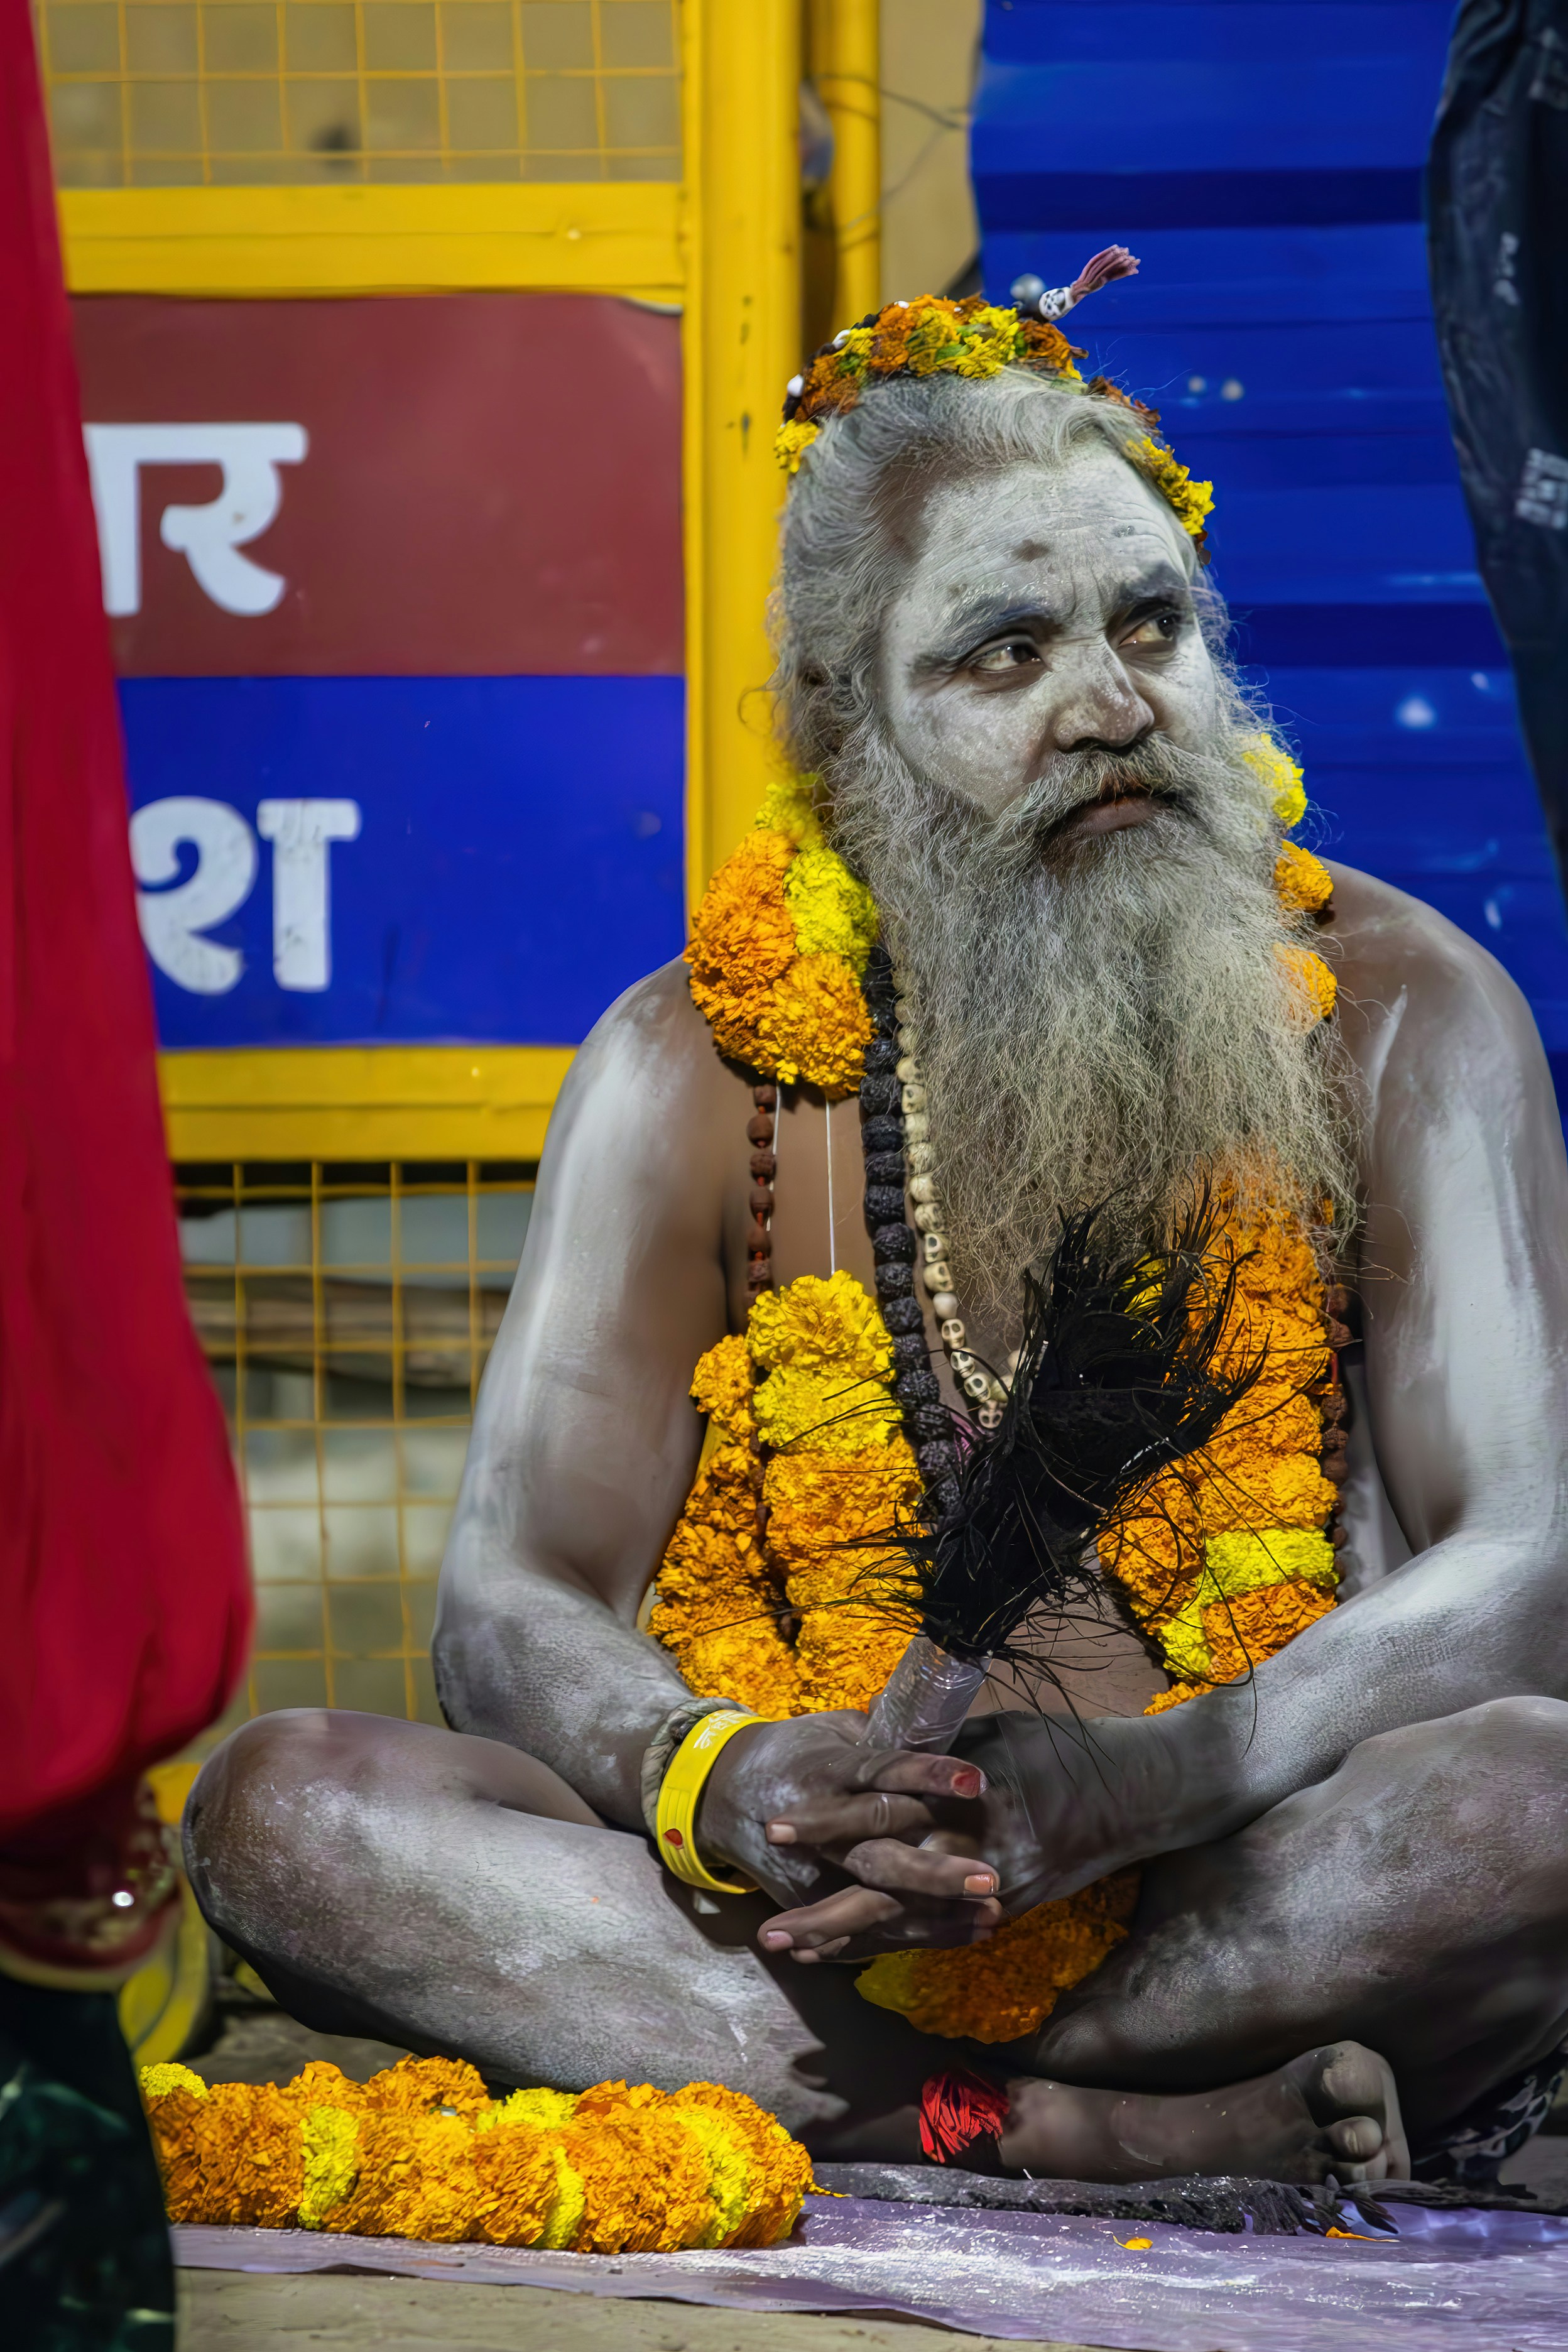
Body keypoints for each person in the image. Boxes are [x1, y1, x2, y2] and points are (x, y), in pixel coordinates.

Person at [184, 277, 1568, 2192]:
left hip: (1253, 1863)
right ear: (845, 723)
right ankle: (1063, 2130)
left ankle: (907, 2110)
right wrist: (727, 1774)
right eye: (1004, 657)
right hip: (801, 1900)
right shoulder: (692, 1063)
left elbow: (1532, 1563)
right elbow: (508, 1600)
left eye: (1151, 626)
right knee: (287, 1810)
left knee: (1543, 1800)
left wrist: (1165, 1775)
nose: (1112, 708)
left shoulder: (1407, 1011)